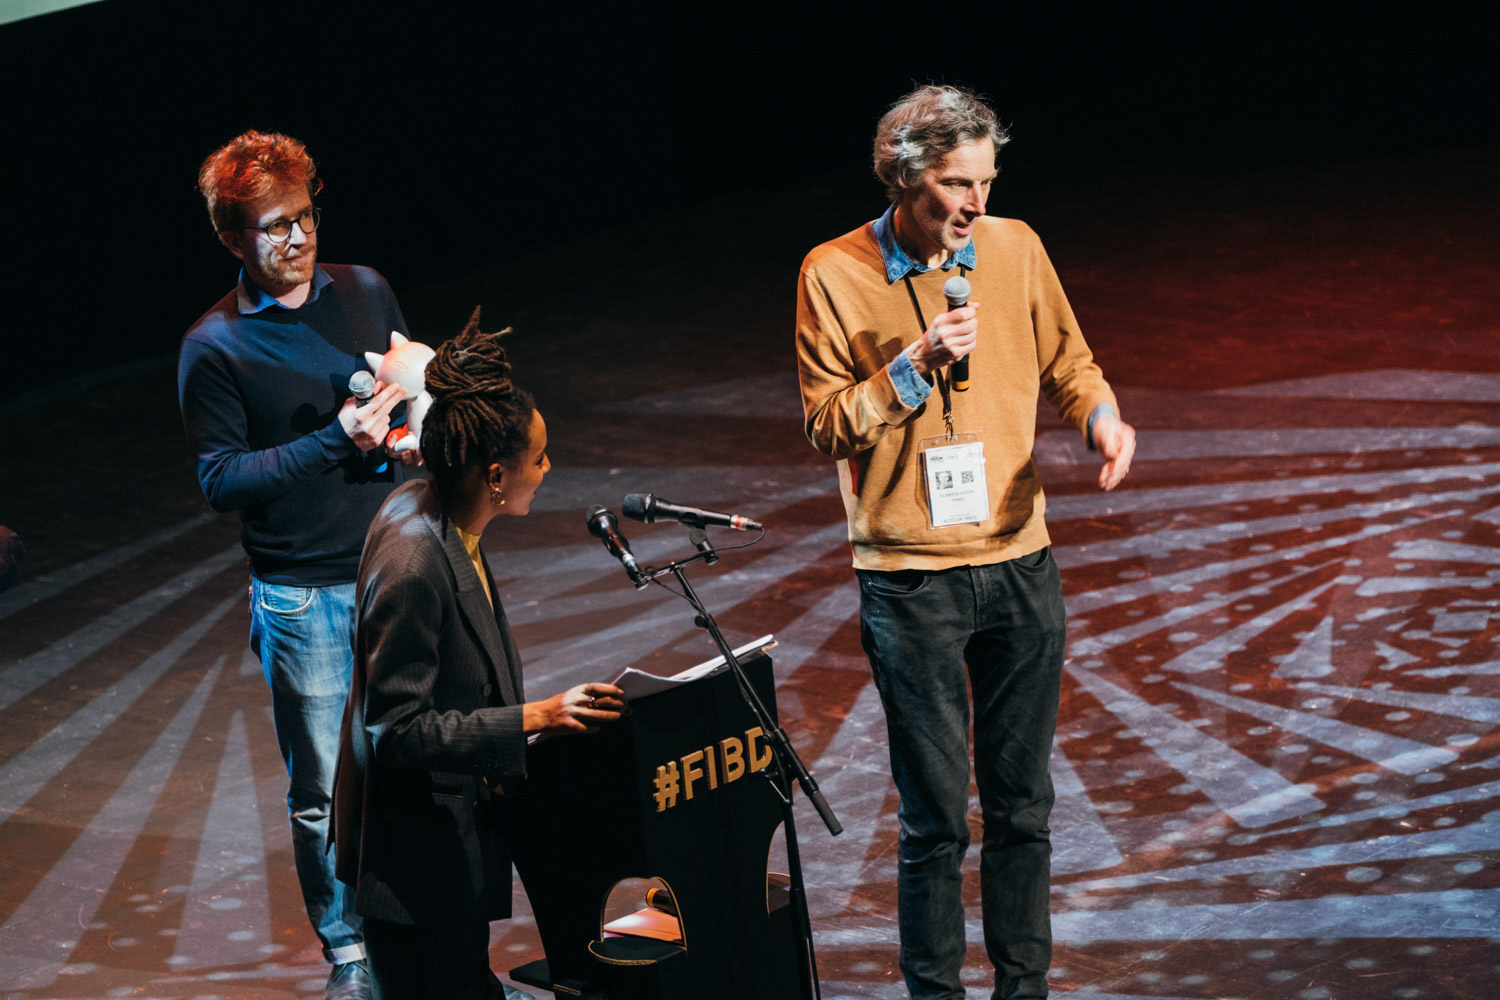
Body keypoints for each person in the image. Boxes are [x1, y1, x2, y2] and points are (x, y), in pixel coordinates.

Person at [795, 85, 1137, 1000]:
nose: (975, 204)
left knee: (1024, 808)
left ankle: (1024, 988)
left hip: (1019, 561)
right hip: (912, 580)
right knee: (937, 821)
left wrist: (1101, 417)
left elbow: (1069, 361)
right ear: (905, 178)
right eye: (956, 183)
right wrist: (913, 366)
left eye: (986, 181)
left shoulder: (1016, 248)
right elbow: (828, 425)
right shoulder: (832, 271)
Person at [178, 130, 415, 1000]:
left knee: (423, 763)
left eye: (306, 216)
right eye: (274, 226)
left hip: (397, 569)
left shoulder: (365, 290)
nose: (298, 237)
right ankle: (350, 953)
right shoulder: (215, 345)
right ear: (233, 238)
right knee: (324, 790)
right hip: (304, 597)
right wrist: (336, 439)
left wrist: (412, 428)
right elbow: (221, 480)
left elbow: (407, 394)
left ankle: (436, 943)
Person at [332, 313, 626, 999]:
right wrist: (536, 716)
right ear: (496, 474)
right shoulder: (414, 562)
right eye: (540, 458)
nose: (548, 469)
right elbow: (397, 732)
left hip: (446, 852)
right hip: (413, 870)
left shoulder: (446, 517)